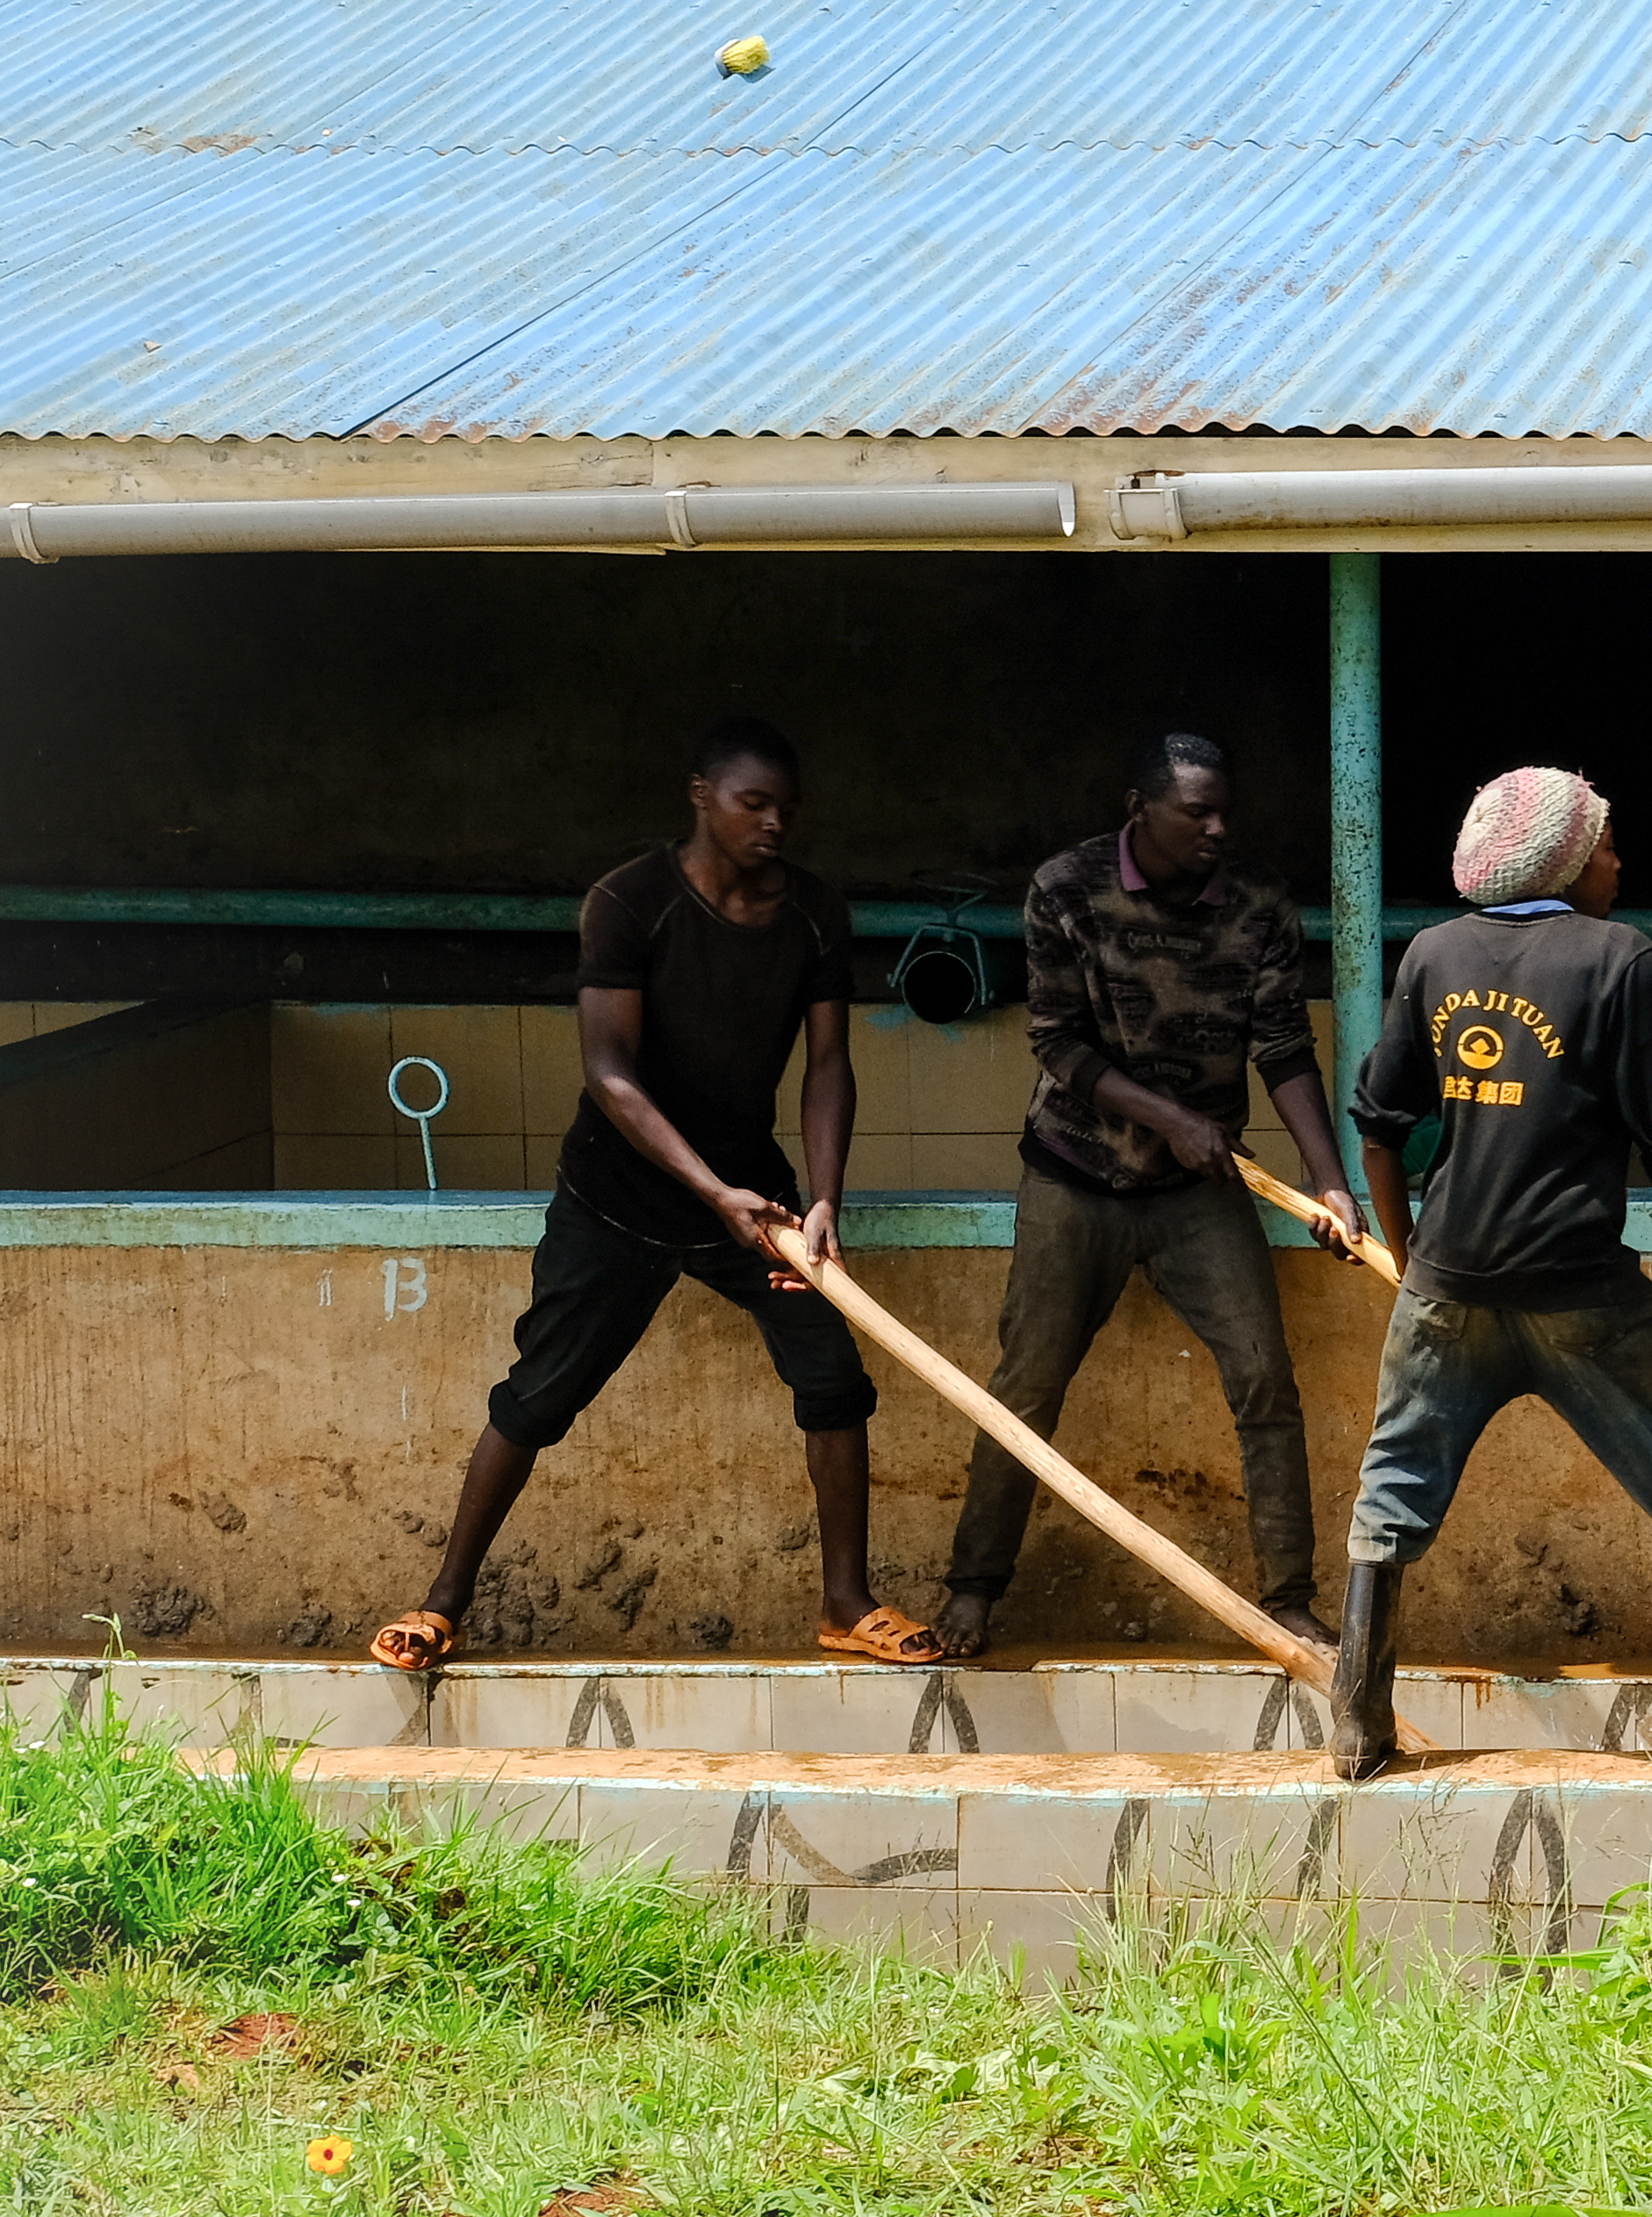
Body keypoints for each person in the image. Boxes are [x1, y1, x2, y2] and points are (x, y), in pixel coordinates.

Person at [370, 715, 941, 1673]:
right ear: (700, 795)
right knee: (539, 1395)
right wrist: (712, 1187)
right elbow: (610, 1073)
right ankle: (441, 1603)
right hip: (616, 1196)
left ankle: (847, 1603)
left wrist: (825, 1199)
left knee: (833, 1377)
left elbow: (830, 1065)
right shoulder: (631, 901)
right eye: (751, 803)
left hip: (752, 1203)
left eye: (786, 809)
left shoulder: (812, 913)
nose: (773, 824)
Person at [1324, 766, 1652, 1780]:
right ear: (1567, 861)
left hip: (1448, 1285)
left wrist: (1407, 1257)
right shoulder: (1621, 958)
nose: (1618, 859)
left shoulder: (1435, 953)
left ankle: (1358, 1723)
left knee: (1390, 1498)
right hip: (1581, 1294)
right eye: (1607, 843)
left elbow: (1381, 1126)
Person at [933, 731, 1373, 1660]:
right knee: (1025, 1386)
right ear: (1142, 810)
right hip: (1074, 1171)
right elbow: (1057, 1040)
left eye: (1225, 811)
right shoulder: (1065, 887)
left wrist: (1330, 1180)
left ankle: (1287, 1600)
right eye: (1196, 812)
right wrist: (1170, 1115)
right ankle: (973, 1588)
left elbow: (1285, 1047)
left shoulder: (1256, 900)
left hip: (1198, 1187)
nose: (1218, 828)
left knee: (1263, 1376)